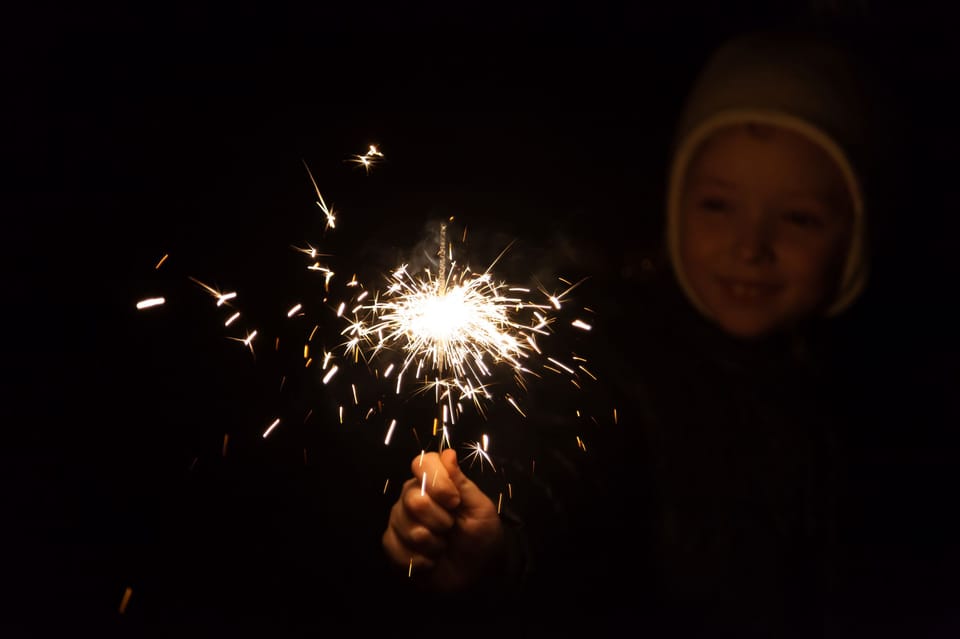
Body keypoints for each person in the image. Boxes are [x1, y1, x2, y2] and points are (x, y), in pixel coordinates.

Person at [378, 29, 939, 637]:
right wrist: (500, 552)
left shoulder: (898, 397)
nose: (751, 247)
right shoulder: (622, 373)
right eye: (718, 206)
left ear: (858, 238)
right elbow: (573, 505)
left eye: (800, 217)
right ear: (675, 206)